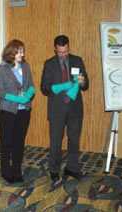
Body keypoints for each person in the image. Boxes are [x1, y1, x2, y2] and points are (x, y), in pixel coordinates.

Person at [40, 35, 89, 187]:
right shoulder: (49, 64)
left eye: (66, 51)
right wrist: (60, 87)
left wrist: (82, 82)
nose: (63, 55)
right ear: (55, 49)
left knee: (74, 140)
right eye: (60, 52)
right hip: (57, 109)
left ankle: (72, 168)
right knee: (55, 141)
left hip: (75, 108)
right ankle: (54, 170)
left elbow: (86, 85)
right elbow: (44, 88)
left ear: (69, 47)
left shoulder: (77, 60)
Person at [0, 39, 35, 183]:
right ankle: (6, 171)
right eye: (19, 52)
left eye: (22, 51)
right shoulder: (2, 68)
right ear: (11, 52)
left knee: (19, 142)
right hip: (7, 112)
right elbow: (0, 92)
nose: (22, 54)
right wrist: (18, 99)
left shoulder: (26, 66)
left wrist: (28, 96)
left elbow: (31, 86)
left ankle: (17, 170)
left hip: (24, 111)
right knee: (6, 143)